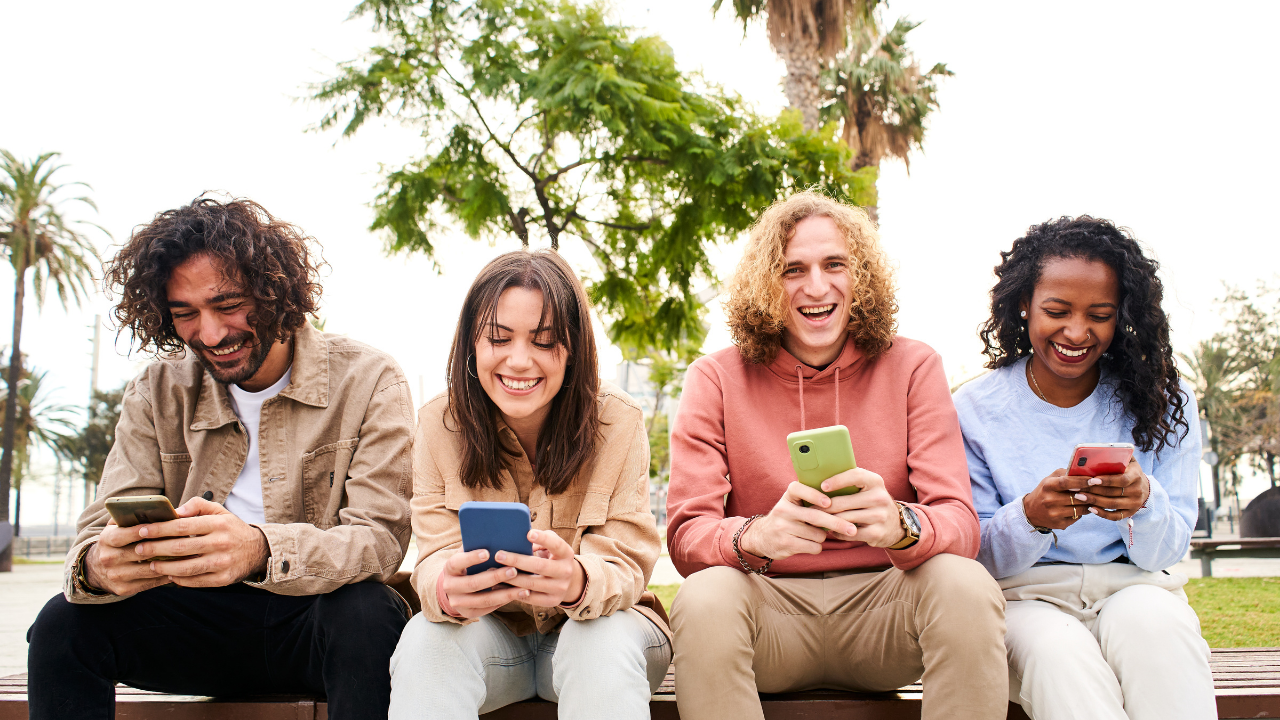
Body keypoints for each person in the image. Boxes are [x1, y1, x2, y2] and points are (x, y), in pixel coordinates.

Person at [26, 197, 414, 719]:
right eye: (185, 314)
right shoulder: (156, 390)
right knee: (61, 625)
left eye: (227, 305)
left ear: (274, 290)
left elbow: (380, 541)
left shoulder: (368, 379)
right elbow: (97, 530)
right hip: (195, 628)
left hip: (318, 627)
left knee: (368, 612)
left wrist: (256, 550)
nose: (209, 334)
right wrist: (99, 565)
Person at [666, 191, 1008, 720]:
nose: (817, 286)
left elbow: (961, 523)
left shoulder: (914, 366)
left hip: (886, 617)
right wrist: (756, 536)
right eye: (792, 270)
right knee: (704, 597)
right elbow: (687, 537)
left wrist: (901, 524)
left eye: (834, 265)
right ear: (765, 283)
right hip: (769, 618)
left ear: (862, 276)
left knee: (965, 583)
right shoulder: (714, 378)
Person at [389, 250, 671, 720]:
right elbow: (434, 552)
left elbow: (628, 561)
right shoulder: (438, 424)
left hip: (607, 629)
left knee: (596, 645)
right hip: (495, 639)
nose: (519, 362)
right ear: (472, 345)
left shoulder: (617, 421)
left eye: (544, 342)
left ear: (574, 348)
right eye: (499, 338)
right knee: (424, 641)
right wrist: (444, 589)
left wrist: (577, 580)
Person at [953, 216, 1215, 720]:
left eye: (1100, 314)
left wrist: (1144, 503)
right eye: (1056, 310)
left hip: (1134, 587)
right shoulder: (973, 409)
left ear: (1123, 316)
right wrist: (1030, 517)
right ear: (1023, 304)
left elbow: (1171, 546)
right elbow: (975, 554)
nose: (1077, 332)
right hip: (1025, 598)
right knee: (1060, 656)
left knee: (1159, 631)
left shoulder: (1166, 401)